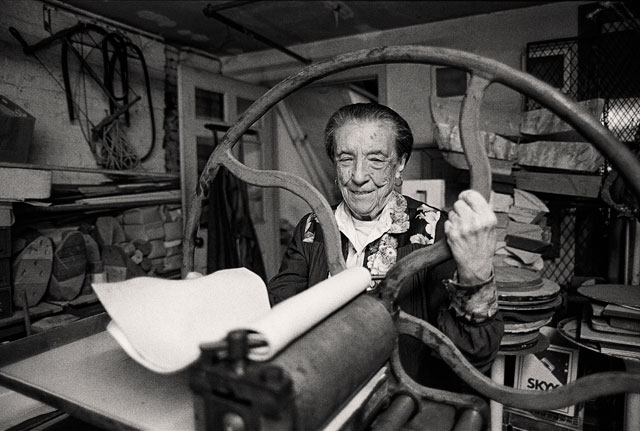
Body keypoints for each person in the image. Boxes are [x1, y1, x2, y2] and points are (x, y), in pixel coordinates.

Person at [267, 102, 503, 392]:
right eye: (345, 159)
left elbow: (473, 357)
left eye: (376, 160)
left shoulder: (433, 231)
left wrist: (476, 275)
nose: (358, 176)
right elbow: (279, 311)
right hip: (323, 389)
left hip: (401, 399)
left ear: (400, 163)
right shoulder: (311, 228)